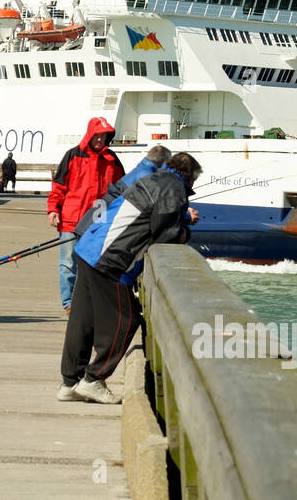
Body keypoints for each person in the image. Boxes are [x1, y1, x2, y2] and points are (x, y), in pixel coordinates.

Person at [57, 150, 201, 404]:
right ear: (189, 178)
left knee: (83, 320)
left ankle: (70, 382)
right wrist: (185, 232)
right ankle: (94, 379)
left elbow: (151, 216)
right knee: (128, 319)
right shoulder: (173, 188)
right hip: (111, 260)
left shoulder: (152, 179)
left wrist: (180, 218)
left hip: (89, 247)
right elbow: (165, 233)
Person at [46, 117, 124, 315]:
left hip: (98, 222)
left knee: (91, 264)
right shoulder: (73, 155)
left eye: (103, 136)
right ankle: (69, 304)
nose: (99, 139)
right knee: (68, 264)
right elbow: (59, 186)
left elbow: (122, 191)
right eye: (96, 135)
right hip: (71, 219)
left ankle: (85, 302)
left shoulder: (112, 160)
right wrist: (53, 208)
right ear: (90, 134)